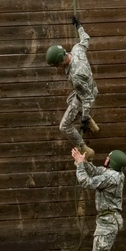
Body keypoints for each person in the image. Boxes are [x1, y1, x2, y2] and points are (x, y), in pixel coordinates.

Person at [73, 147, 126, 251]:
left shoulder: (109, 177)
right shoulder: (116, 174)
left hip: (107, 221)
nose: (106, 158)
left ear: (111, 162)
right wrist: (84, 162)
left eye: (108, 157)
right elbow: (97, 171)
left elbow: (86, 182)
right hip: (111, 220)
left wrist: (79, 165)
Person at [46, 15, 100, 154]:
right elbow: (85, 39)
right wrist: (79, 26)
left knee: (64, 126)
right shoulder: (76, 49)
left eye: (56, 65)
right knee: (70, 100)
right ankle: (90, 122)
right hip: (90, 87)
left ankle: (85, 149)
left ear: (60, 62)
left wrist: (84, 118)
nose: (57, 68)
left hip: (87, 94)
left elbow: (87, 98)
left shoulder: (76, 76)